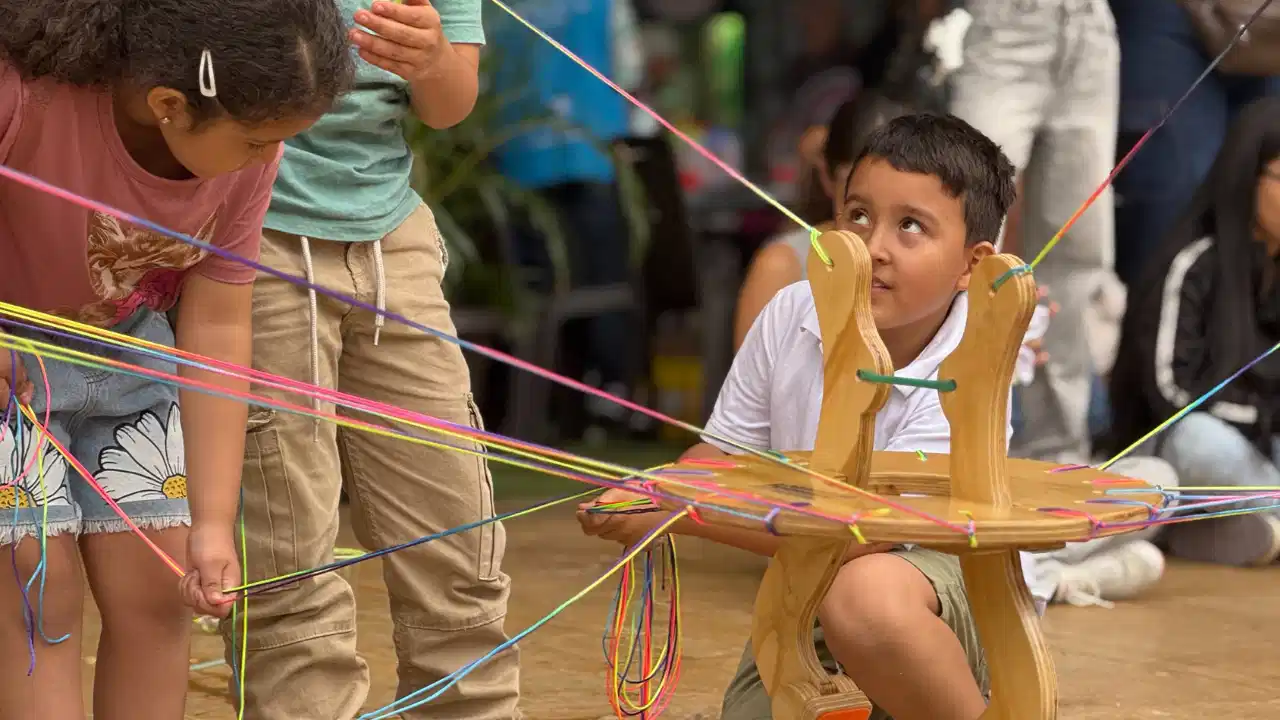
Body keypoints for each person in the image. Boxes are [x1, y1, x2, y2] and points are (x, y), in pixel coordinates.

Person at [582, 113, 1014, 720]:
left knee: (867, 599)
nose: (873, 247)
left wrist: (686, 511)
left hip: (937, 589)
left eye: (910, 226)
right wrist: (655, 492)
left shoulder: (973, 353)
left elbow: (869, 531)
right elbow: (721, 458)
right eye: (858, 215)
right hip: (806, 590)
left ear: (972, 265)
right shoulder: (792, 311)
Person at [0, 0, 351, 717]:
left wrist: (215, 525)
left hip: (132, 360)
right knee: (37, 585)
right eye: (256, 141)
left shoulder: (249, 159)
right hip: (10, 378)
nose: (268, 158)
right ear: (168, 104)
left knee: (163, 585)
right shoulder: (24, 95)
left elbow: (218, 326)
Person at [223, 1, 521, 718]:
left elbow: (451, 104)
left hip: (394, 239)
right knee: (286, 554)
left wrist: (433, 61)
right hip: (255, 239)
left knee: (456, 538)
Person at [1103, 96, 1280, 568]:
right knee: (1203, 442)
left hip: (1260, 453)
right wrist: (1255, 417)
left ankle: (1215, 530)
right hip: (1179, 442)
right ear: (1249, 176)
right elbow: (1169, 393)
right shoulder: (1194, 261)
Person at [948, 0, 1122, 466]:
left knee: (1077, 254)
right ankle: (941, 443)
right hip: (1006, 23)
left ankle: (1059, 456)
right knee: (966, 230)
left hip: (1092, 24)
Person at [1111, 0, 1280, 286]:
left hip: (1270, 25)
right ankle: (1155, 325)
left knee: (1263, 209)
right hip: (1167, 15)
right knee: (1170, 206)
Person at [735, 94, 910, 351]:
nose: (875, 246)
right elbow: (752, 386)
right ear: (827, 177)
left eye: (906, 220)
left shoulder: (932, 264)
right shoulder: (781, 269)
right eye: (859, 211)